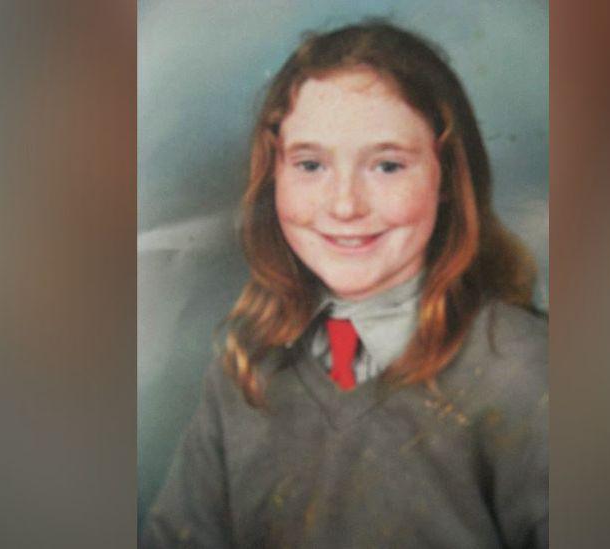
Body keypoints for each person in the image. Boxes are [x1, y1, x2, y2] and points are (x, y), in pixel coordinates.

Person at [141, 20, 547, 548]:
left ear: (445, 177)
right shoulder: (248, 371)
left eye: (386, 166)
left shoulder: (524, 371)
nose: (345, 206)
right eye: (310, 165)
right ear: (275, 176)